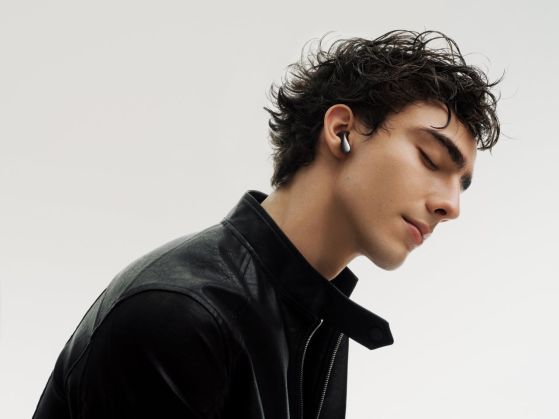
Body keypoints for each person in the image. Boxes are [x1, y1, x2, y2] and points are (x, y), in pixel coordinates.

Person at [33, 30, 501, 418]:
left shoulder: (314, 314)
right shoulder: (180, 316)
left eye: (461, 186)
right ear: (342, 131)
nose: (451, 205)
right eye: (431, 159)